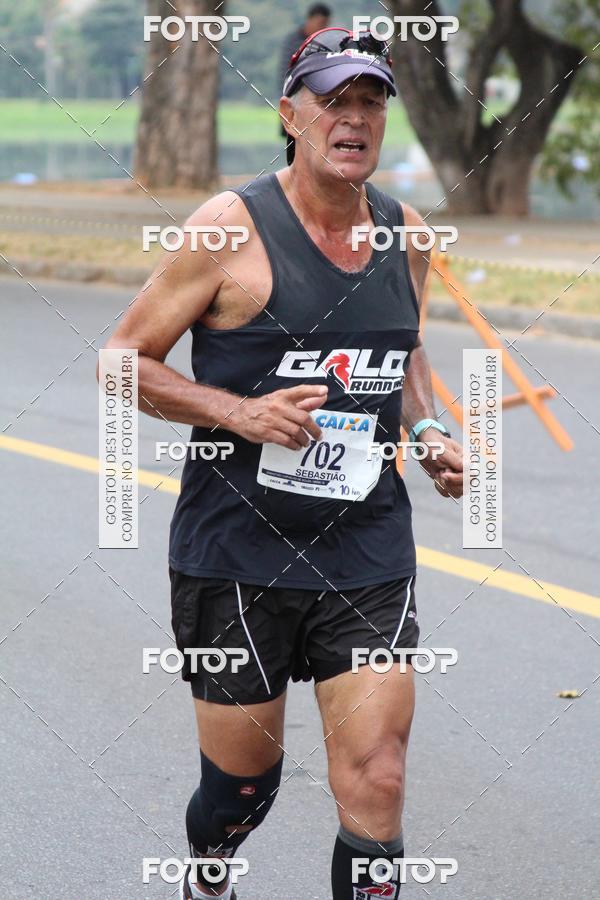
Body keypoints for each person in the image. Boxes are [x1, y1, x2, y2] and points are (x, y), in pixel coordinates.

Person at [102, 26, 464, 900]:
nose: (356, 119)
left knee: (378, 773)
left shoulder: (405, 234)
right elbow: (124, 361)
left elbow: (403, 364)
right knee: (241, 791)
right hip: (238, 553)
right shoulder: (229, 229)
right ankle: (211, 871)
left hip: (366, 548)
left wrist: (427, 436)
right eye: (335, 101)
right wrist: (239, 413)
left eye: (372, 100)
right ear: (290, 116)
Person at [279, 4, 331, 136]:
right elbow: (285, 73)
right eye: (321, 23)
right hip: (294, 100)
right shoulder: (293, 41)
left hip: (318, 103)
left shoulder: (326, 43)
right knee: (294, 145)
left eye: (326, 24)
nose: (323, 27)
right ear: (310, 20)